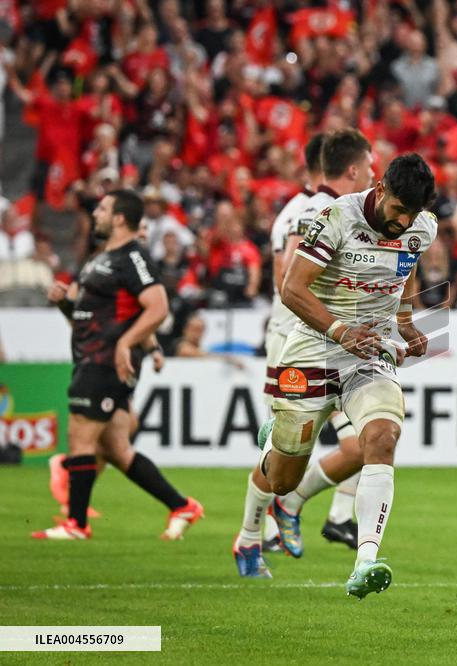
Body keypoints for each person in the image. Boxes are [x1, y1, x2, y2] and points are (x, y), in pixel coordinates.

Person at [234, 153, 436, 599]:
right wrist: (340, 330)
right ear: (381, 190)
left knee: (381, 438)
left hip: (369, 352)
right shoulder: (336, 216)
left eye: (413, 214)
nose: (403, 222)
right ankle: (249, 535)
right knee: (283, 478)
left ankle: (365, 560)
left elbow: (407, 269)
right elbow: (291, 288)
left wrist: (404, 321)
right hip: (313, 347)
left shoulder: (423, 227)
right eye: (399, 209)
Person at [32, 189, 202, 540]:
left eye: (104, 209)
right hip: (91, 357)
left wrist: (128, 342)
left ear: (120, 218)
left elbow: (157, 307)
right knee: (116, 449)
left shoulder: (131, 257)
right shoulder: (99, 259)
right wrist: (65, 304)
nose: (96, 213)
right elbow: (86, 318)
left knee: (80, 436)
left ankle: (76, 524)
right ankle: (181, 505)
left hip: (105, 361)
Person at [244, 129, 375, 564]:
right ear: (351, 168)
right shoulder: (314, 213)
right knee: (280, 456)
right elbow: (291, 281)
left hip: (331, 345)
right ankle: (251, 535)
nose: (373, 176)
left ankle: (300, 507)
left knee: (363, 444)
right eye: (369, 166)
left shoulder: (309, 209)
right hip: (297, 344)